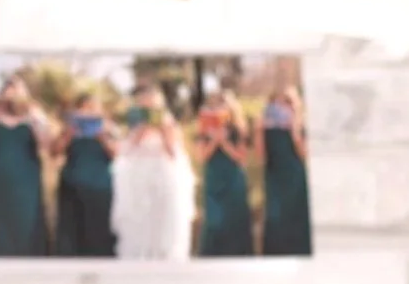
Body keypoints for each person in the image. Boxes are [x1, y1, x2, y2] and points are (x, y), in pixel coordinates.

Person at [110, 84, 196, 261]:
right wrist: (141, 130)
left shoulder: (169, 123)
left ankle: (165, 255)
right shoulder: (134, 122)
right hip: (138, 176)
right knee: (139, 218)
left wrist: (164, 131)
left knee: (163, 216)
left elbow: (173, 153)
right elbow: (126, 151)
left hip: (162, 174)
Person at [0, 80, 53, 256]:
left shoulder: (32, 117)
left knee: (26, 216)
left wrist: (35, 115)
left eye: (16, 92)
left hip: (26, 179)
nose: (12, 97)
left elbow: (46, 144)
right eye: (8, 91)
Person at [52, 90, 119, 257]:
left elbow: (117, 155)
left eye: (93, 108)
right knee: (71, 235)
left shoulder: (109, 128)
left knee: (98, 234)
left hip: (100, 187)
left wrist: (102, 136)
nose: (88, 112)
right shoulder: (69, 128)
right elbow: (54, 151)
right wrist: (68, 134)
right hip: (71, 186)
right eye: (84, 108)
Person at [195, 89, 259, 256]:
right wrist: (213, 141)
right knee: (214, 221)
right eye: (215, 105)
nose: (219, 108)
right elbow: (201, 157)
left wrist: (224, 143)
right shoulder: (205, 129)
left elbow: (242, 158)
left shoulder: (238, 129)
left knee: (235, 219)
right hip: (214, 179)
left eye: (222, 105)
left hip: (233, 179)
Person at [260, 86, 313, 255]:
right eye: (278, 102)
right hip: (275, 179)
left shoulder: (303, 125)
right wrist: (259, 130)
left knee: (297, 220)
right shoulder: (268, 127)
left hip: (296, 179)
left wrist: (294, 130)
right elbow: (261, 157)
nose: (282, 107)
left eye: (288, 102)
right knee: (276, 221)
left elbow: (305, 155)